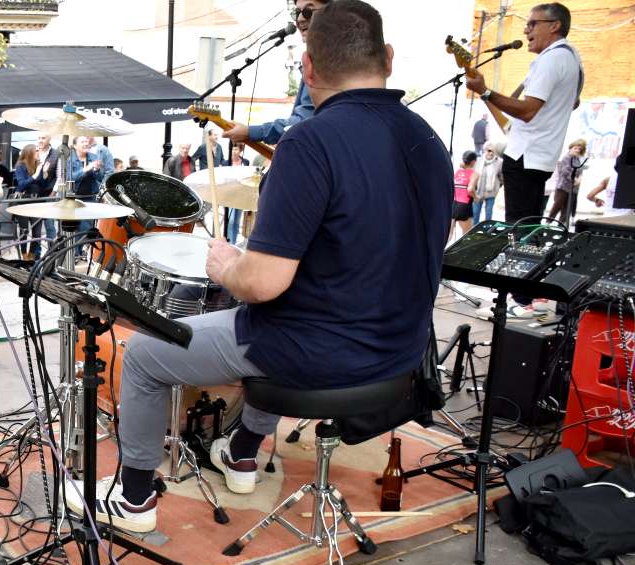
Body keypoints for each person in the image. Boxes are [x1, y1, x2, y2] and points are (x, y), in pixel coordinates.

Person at [65, 0, 453, 532]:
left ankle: (134, 500)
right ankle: (242, 451)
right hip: (401, 353)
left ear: (309, 69)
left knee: (147, 356)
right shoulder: (429, 139)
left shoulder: (310, 142)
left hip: (321, 354)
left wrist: (226, 266)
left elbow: (262, 284)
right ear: (387, 57)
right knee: (273, 328)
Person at [465, 3, 583, 225]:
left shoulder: (552, 59)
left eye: (532, 24)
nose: (526, 30)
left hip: (525, 158)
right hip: (539, 157)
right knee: (528, 231)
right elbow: (573, 102)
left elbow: (528, 111)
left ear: (554, 26)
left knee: (518, 232)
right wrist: (485, 94)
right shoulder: (572, 58)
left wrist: (485, 91)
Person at [221, 0, 329, 148]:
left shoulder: (328, 61)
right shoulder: (315, 58)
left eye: (308, 12)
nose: (299, 19)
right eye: (296, 13)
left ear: (332, 12)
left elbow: (304, 122)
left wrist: (250, 132)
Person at [12, 144, 44, 260]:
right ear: (30, 153)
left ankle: (31, 255)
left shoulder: (38, 165)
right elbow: (21, 184)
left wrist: (44, 174)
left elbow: (41, 185)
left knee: (37, 233)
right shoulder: (21, 166)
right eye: (36, 151)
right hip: (24, 202)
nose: (38, 153)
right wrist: (35, 175)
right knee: (24, 231)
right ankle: (24, 255)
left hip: (37, 201)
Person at [68, 136, 102, 240]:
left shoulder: (94, 156)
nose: (86, 143)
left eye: (87, 141)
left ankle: (87, 252)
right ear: (75, 146)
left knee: (90, 228)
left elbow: (100, 177)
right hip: (75, 198)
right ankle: (78, 253)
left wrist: (96, 170)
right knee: (79, 229)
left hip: (91, 197)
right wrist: (85, 170)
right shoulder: (69, 159)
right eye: (82, 142)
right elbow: (70, 178)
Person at [547, 138, 587, 223]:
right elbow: (565, 171)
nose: (577, 150)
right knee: (558, 205)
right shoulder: (566, 157)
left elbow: (580, 170)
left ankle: (561, 225)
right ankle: (548, 222)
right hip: (563, 186)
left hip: (573, 188)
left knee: (566, 209)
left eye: (579, 149)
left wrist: (580, 178)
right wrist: (574, 179)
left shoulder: (577, 159)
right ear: (571, 148)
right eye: (575, 148)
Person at [470, 142, 504, 224]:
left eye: (492, 151)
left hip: (491, 193)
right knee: (475, 213)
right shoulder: (478, 161)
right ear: (485, 150)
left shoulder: (499, 162)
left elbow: (501, 177)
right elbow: (473, 174)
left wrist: (497, 187)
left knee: (488, 215)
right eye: (488, 150)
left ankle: (486, 232)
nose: (490, 153)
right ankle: (474, 233)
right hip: (478, 192)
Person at [452, 151, 477, 236]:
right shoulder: (474, 173)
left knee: (448, 236)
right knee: (466, 236)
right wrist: (477, 197)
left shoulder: (457, 172)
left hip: (453, 205)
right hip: (464, 206)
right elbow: (470, 190)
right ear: (473, 162)